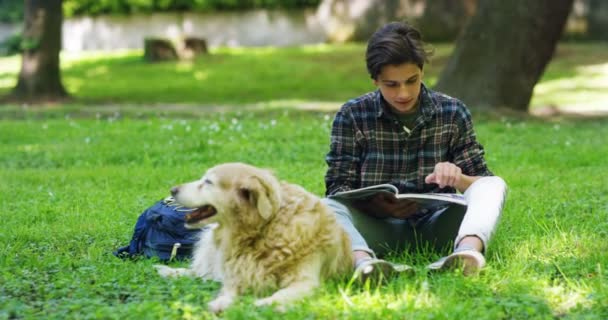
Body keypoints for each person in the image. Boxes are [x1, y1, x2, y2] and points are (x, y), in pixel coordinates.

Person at [322, 21, 507, 281]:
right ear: (375, 80)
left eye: (412, 81)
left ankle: (466, 254)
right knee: (325, 207)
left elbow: (482, 183)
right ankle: (365, 265)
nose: (404, 93)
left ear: (421, 71)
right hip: (377, 228)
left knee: (494, 185)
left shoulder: (452, 112)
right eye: (391, 84)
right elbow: (337, 189)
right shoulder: (353, 116)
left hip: (438, 226)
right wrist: (378, 207)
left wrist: (458, 178)